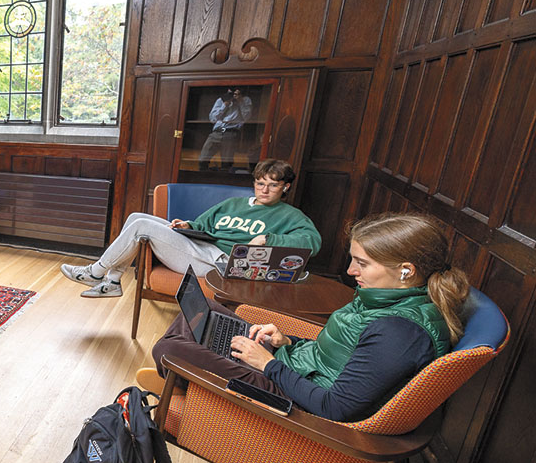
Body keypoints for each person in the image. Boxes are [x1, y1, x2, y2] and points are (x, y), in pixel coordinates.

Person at [137, 212, 471, 422]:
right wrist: (286, 341)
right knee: (206, 313)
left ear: (405, 270)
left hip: (292, 397)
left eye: (362, 263)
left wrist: (268, 364)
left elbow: (334, 408)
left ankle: (180, 380)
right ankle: (187, 379)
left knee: (171, 349)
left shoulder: (401, 334)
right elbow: (344, 353)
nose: (351, 270)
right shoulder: (387, 299)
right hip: (294, 366)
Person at [60, 159, 321, 297]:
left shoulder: (290, 215)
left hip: (222, 263)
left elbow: (313, 243)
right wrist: (187, 225)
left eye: (272, 185)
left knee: (141, 225)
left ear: (285, 187)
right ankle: (113, 281)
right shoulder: (234, 203)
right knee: (136, 216)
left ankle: (96, 273)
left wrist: (268, 238)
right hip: (200, 246)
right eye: (260, 183)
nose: (264, 190)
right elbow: (203, 224)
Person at [199, 87, 253, 170]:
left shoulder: (245, 100)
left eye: (234, 92)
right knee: (203, 159)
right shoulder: (221, 100)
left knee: (226, 162)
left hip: (231, 133)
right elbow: (212, 119)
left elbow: (247, 117)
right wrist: (225, 105)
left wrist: (240, 101)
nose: (232, 95)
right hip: (216, 133)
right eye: (230, 92)